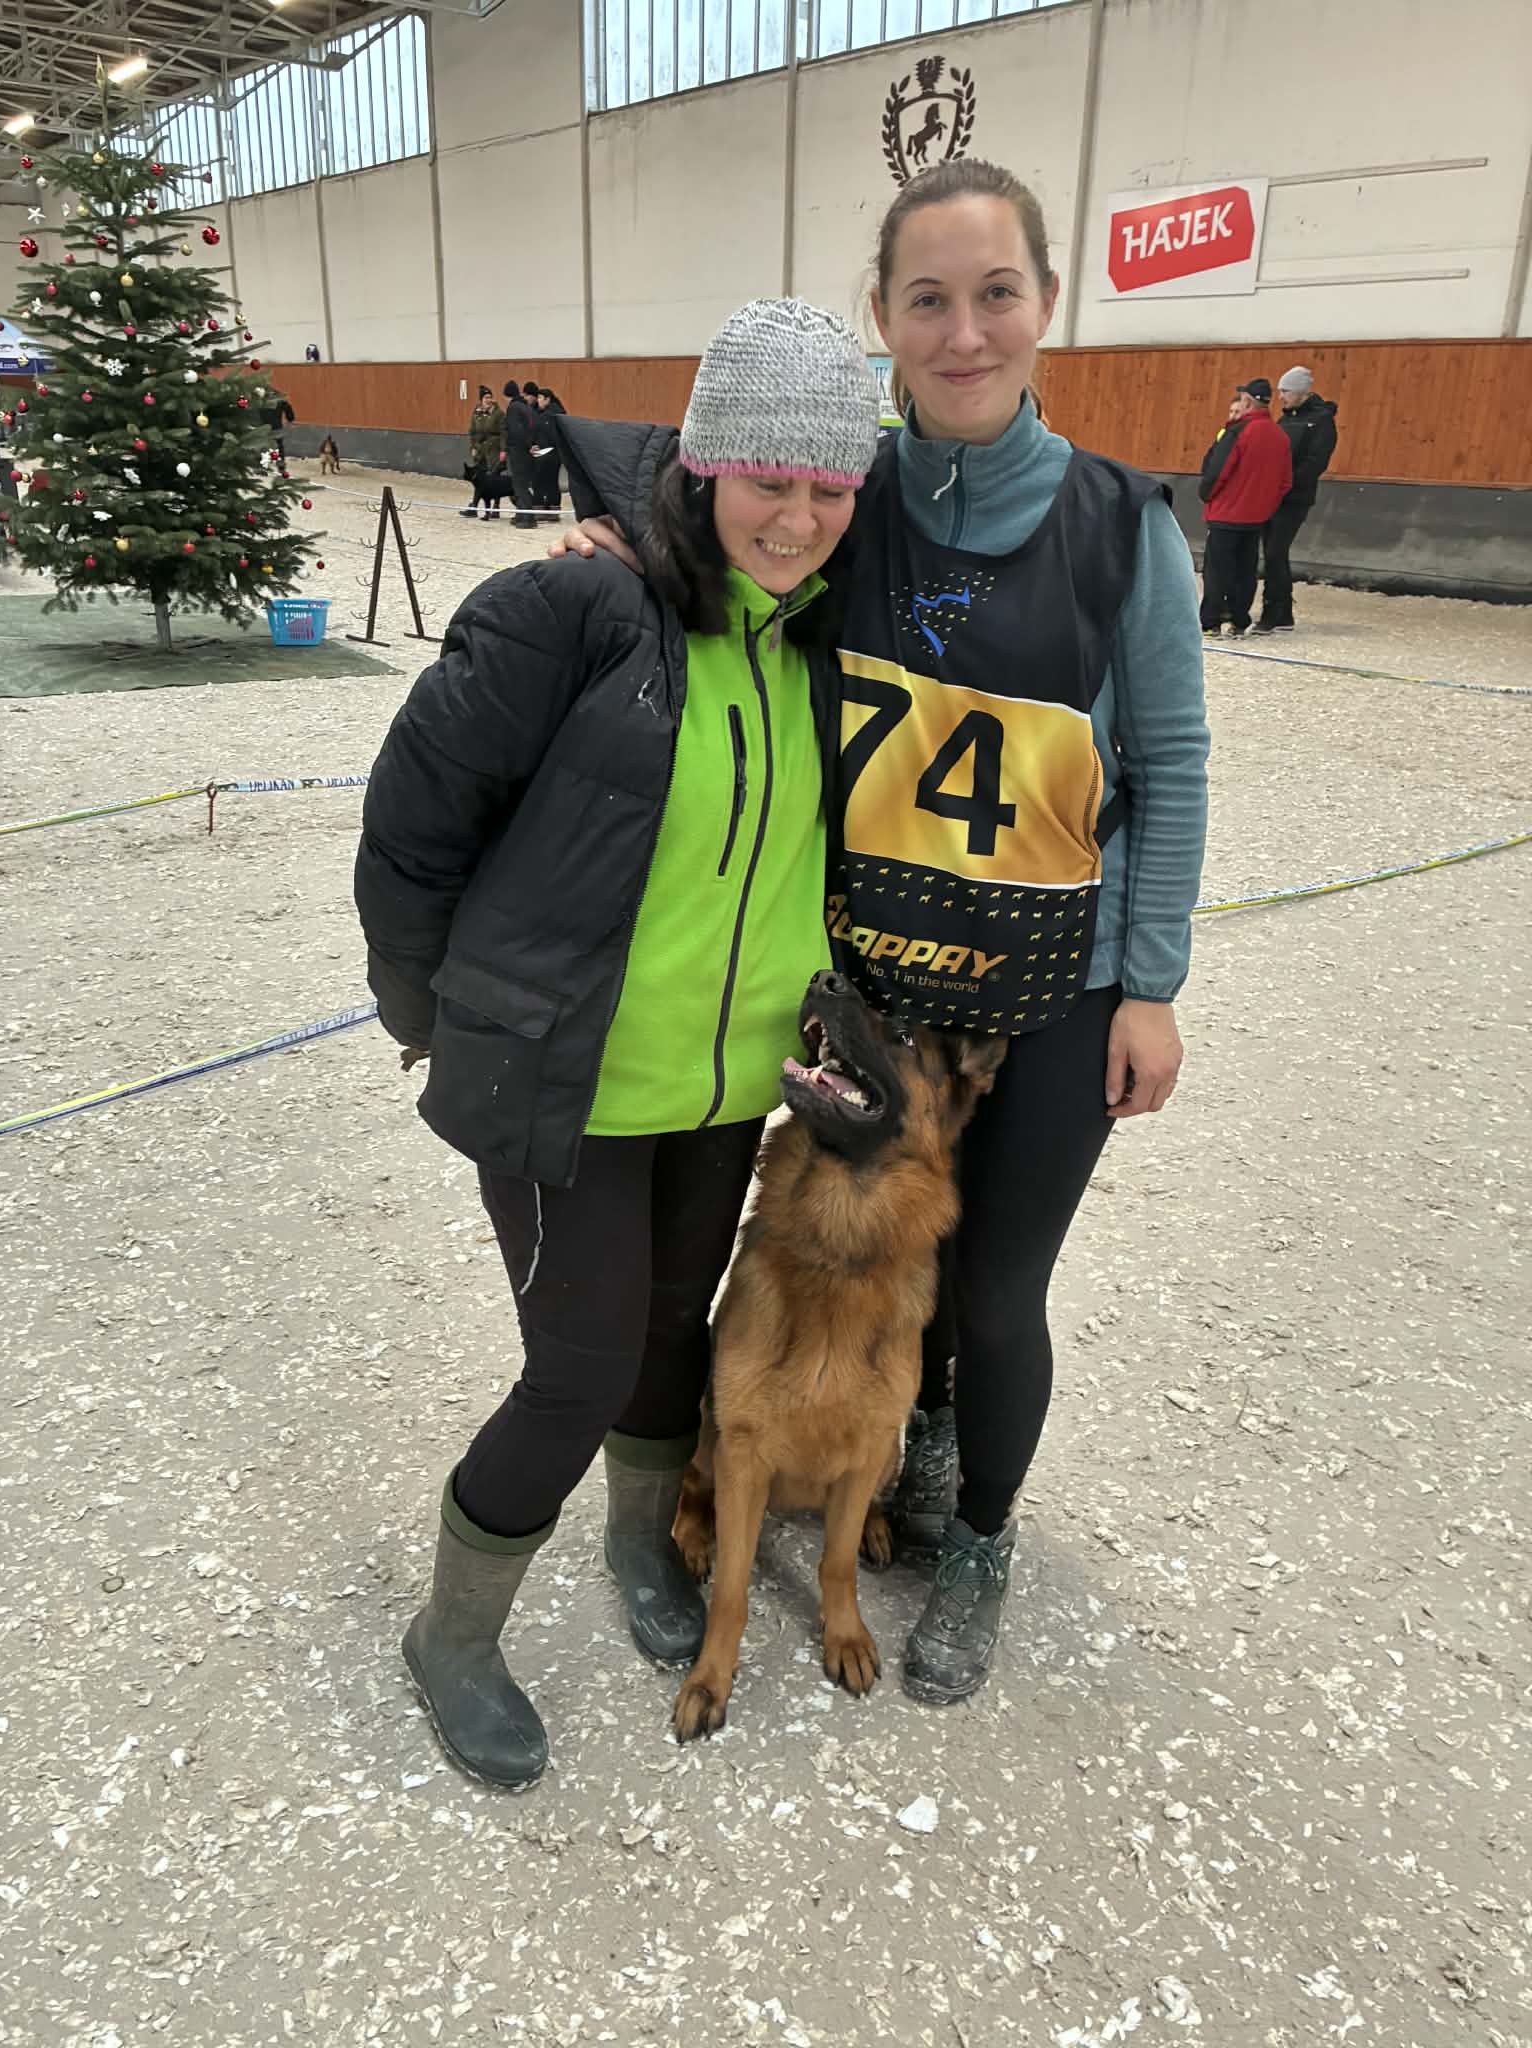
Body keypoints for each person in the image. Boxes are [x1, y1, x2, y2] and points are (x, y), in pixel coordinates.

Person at [559, 158, 1210, 1709]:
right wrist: (612, 557)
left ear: (1046, 304)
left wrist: (1154, 985)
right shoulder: (848, 501)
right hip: (870, 979)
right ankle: (841, 1447)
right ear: (885, 317)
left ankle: (976, 1533)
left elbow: (1173, 764)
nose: (964, 331)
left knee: (995, 1286)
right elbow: (724, 549)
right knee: (818, 1254)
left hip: (1052, 989)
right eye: (929, 299)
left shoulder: (1125, 528)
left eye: (995, 294)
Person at [354, 299, 879, 1788]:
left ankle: (639, 1544)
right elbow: (410, 833)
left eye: (829, 485)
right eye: (766, 477)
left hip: (722, 1091)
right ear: (703, 465)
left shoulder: (820, 640)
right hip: (566, 1089)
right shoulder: (576, 609)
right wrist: (439, 1019)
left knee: (669, 1335)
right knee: (576, 1369)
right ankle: (454, 1634)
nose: (796, 517)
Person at [1197, 377, 1292, 637]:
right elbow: (1285, 481)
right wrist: (1266, 506)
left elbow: (1218, 471)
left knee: (1217, 569)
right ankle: (1239, 620)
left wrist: (1207, 495)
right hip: (1255, 517)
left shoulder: (1238, 432)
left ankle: (1211, 621)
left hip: (1226, 513)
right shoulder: (1280, 436)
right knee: (1245, 570)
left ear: (1247, 401)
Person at [1255, 366, 1338, 634]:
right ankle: (1283, 614)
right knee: (1273, 553)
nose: (1281, 396)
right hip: (1272, 495)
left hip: (1295, 498)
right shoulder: (1285, 419)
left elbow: (1315, 462)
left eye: (1286, 391)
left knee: (1275, 552)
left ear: (1302, 392)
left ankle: (1271, 611)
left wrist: (1286, 485)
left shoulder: (1321, 421)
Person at [460, 384, 504, 519]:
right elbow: (472, 431)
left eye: (490, 397)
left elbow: (503, 433)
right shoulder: (477, 413)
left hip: (493, 449)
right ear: (481, 399)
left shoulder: (498, 413)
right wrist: (473, 446)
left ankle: (495, 507)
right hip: (480, 450)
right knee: (479, 480)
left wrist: (503, 450)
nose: (488, 400)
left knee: (494, 479)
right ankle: (474, 507)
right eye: (485, 397)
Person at [500, 379, 537, 529]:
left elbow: (516, 431)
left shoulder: (513, 408)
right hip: (526, 452)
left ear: (506, 395)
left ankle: (528, 518)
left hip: (518, 451)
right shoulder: (525, 406)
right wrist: (532, 444)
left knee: (520, 485)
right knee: (522, 484)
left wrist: (524, 445)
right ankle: (521, 514)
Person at [530, 386, 567, 517]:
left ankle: (539, 509)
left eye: (540, 398)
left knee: (539, 481)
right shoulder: (559, 413)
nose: (538, 400)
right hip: (556, 454)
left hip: (545, 452)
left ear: (547, 399)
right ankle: (553, 510)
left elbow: (546, 435)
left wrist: (536, 445)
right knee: (552, 482)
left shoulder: (548, 415)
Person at [263, 390, 296, 477]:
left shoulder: (261, 400)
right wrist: (290, 419)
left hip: (262, 427)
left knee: (262, 446)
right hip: (276, 427)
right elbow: (288, 407)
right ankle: (281, 467)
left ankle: (263, 466)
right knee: (279, 447)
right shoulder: (279, 400)